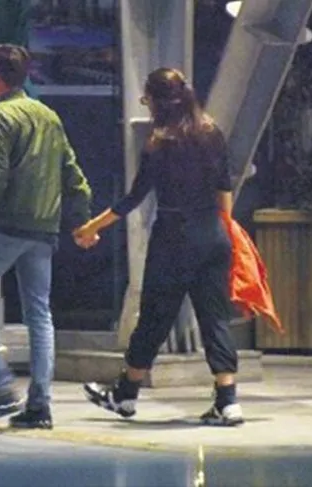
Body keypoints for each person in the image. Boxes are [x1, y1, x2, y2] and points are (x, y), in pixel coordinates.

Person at [75, 67, 244, 426]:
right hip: (212, 235)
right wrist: (223, 230)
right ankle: (228, 401)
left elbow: (133, 199)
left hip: (173, 238)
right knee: (215, 318)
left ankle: (126, 394)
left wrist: (91, 227)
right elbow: (224, 189)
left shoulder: (160, 143)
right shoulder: (212, 132)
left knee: (154, 317)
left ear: (157, 102)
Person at [0, 44, 93, 429]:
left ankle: (0, 386)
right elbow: (72, 173)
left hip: (4, 224)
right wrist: (81, 219)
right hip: (44, 228)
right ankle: (40, 404)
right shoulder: (48, 115)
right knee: (39, 314)